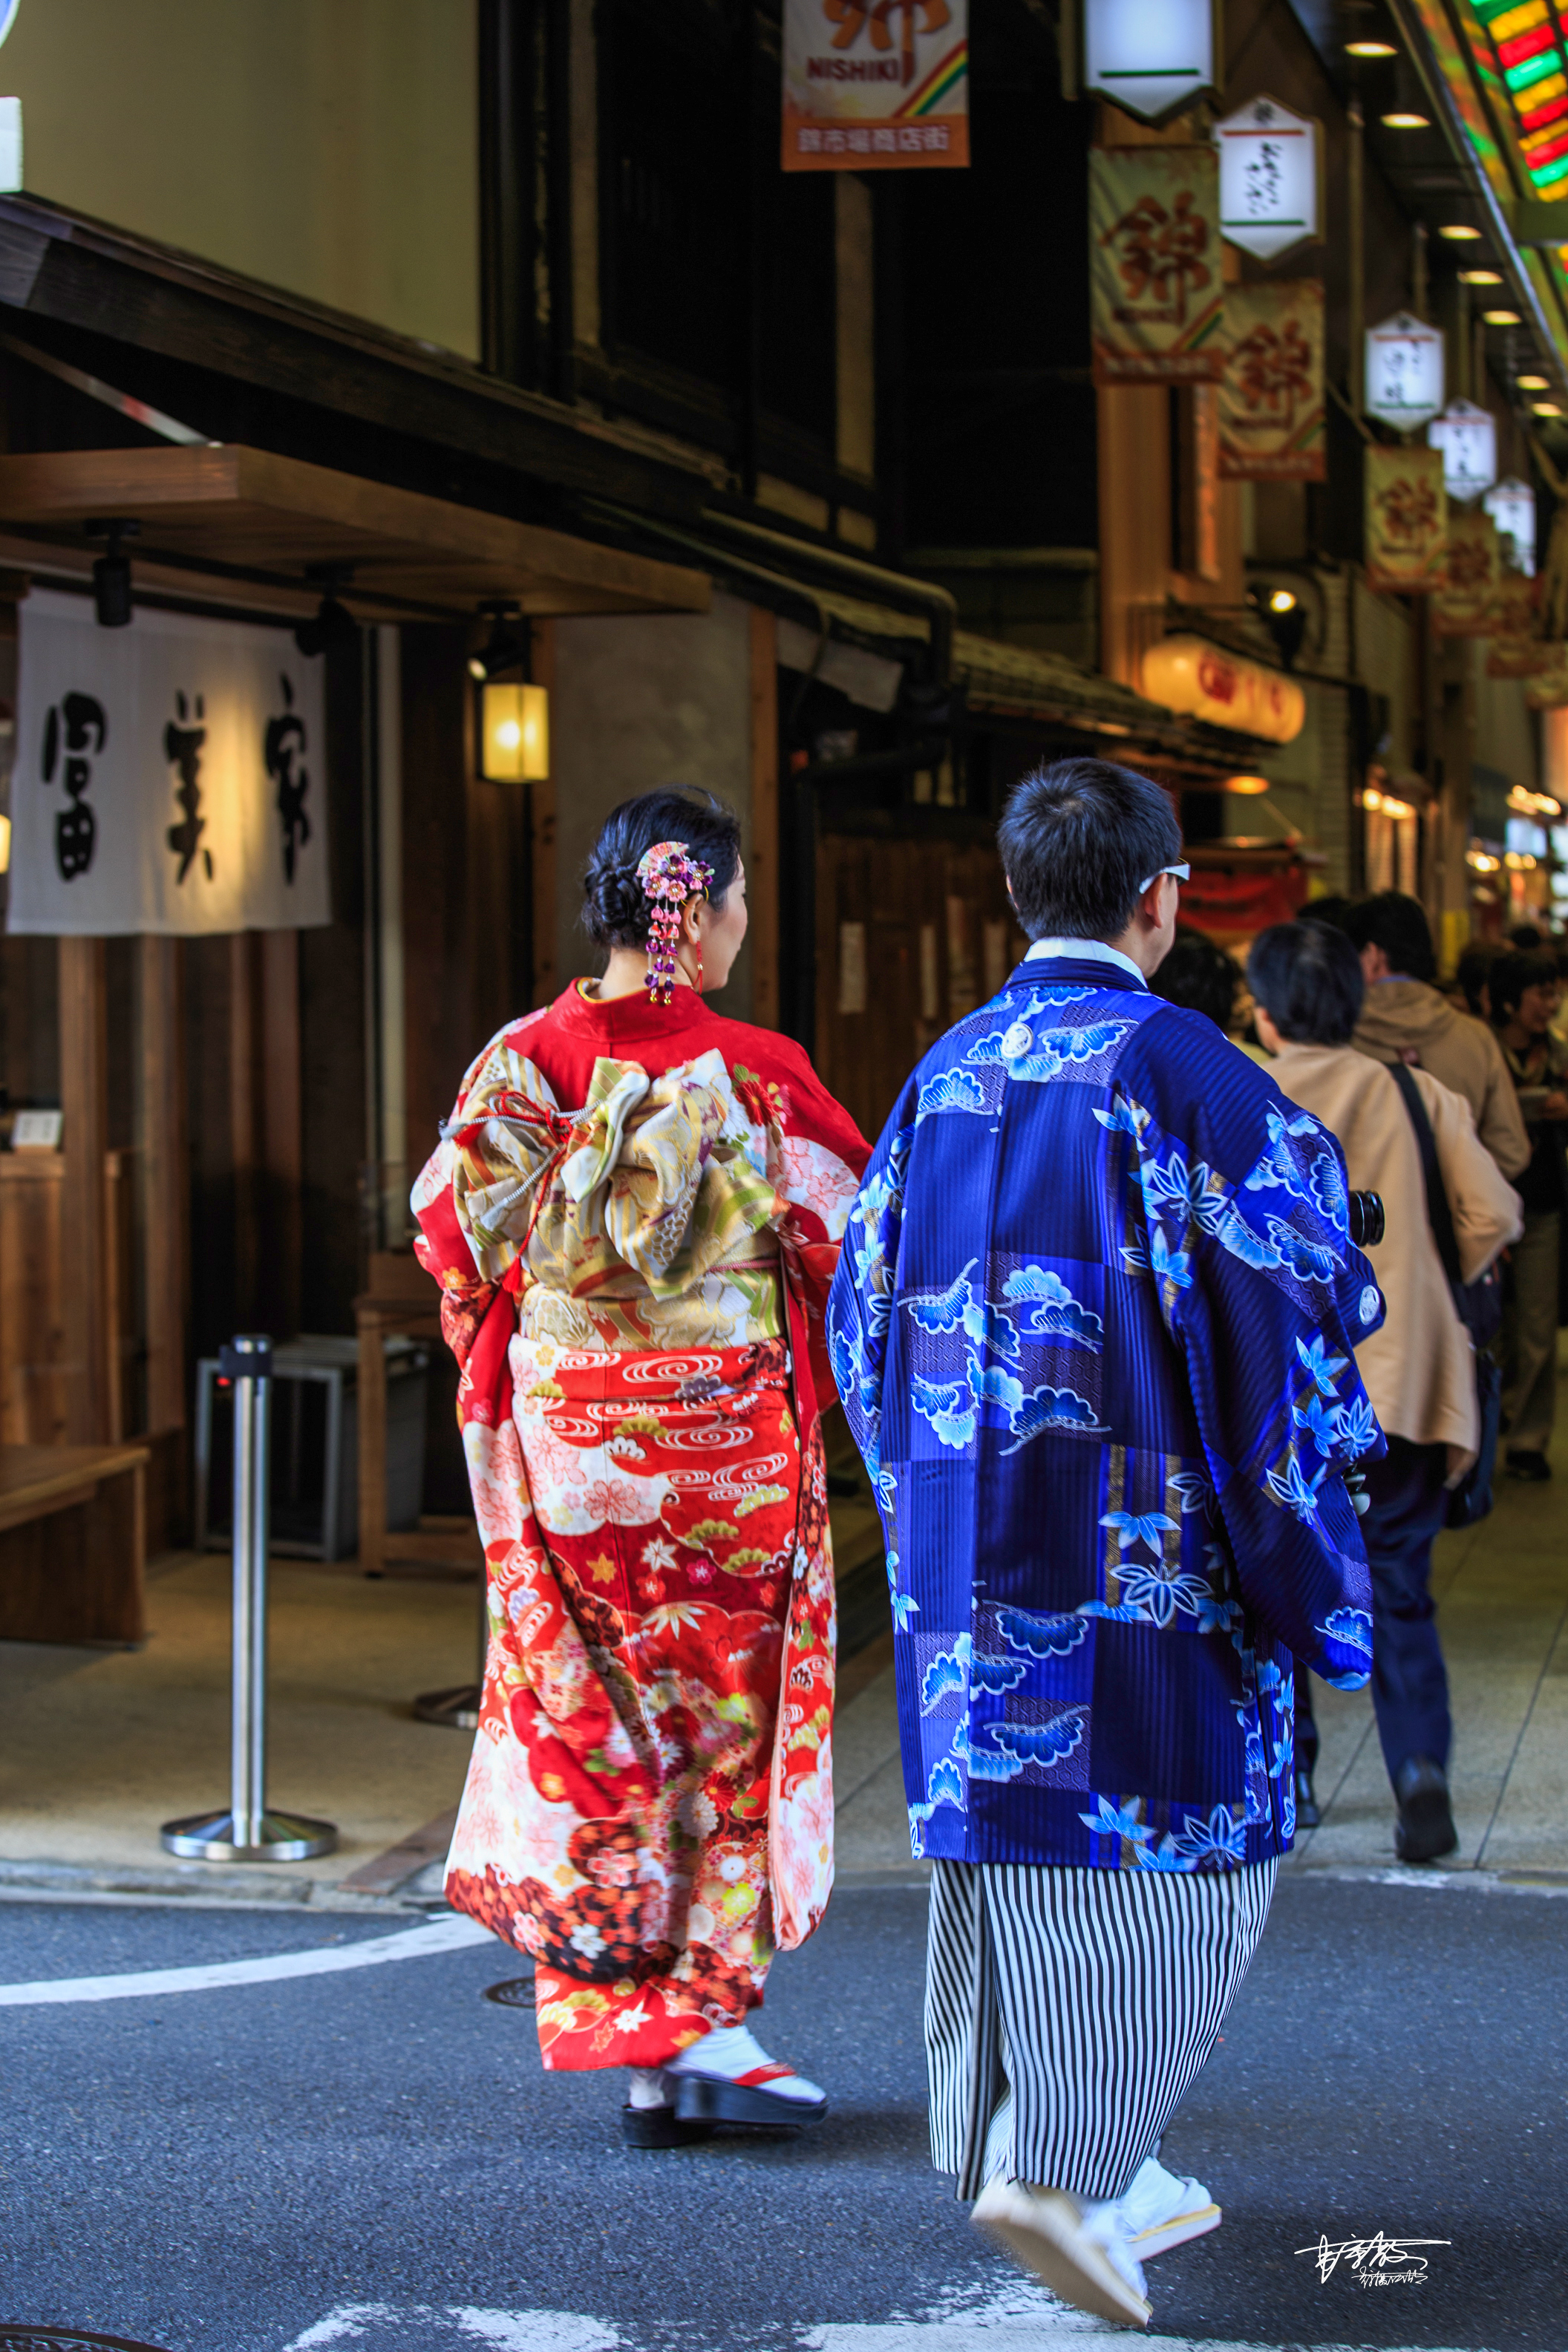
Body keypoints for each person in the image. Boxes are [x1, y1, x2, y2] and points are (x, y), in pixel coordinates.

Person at [826, 758, 1379, 2332]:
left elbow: (866, 1327)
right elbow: (1286, 1326)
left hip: (970, 1554)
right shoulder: (1199, 1081)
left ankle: (1051, 2147)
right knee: (1176, 1875)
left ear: (1019, 895)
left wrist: (929, 1519)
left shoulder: (939, 1078)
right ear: (1163, 898)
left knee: (1012, 1861)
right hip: (1145, 1564)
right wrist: (1313, 1541)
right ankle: (1068, 2171)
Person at [411, 788, 869, 2147]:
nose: (738, 921)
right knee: (722, 1731)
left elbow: (451, 1247)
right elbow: (854, 1254)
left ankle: (646, 2054)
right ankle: (708, 2020)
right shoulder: (755, 1072)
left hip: (569, 1472)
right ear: (705, 909)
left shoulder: (519, 1064)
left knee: (596, 1728)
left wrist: (559, 1368)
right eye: (734, 900)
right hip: (724, 1474)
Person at [1248, 922, 1520, 1862]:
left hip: (1277, 1394)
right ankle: (1419, 1779)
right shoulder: (1418, 1092)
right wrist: (1427, 1292)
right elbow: (1495, 1212)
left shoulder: (1236, 1092)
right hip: (1404, 1385)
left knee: (1278, 1584)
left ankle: (1301, 1780)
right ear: (1356, 1004)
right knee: (1400, 1590)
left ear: (1266, 1008)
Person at [1340, 892, 1529, 1182]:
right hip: (1453, 1219)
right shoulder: (1475, 1037)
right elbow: (1511, 1151)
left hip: (1362, 1222)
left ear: (1373, 956)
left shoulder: (1334, 1038)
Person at [1489, 949, 1568, 1480]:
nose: (1551, 1004)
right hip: (1487, 1206)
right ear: (1512, 1000)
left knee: (1538, 1325)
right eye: (1541, 993)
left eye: (1554, 993)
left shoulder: (1560, 1055)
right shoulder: (1484, 1051)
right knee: (1493, 1326)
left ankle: (1529, 1440)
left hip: (1542, 1203)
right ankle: (1489, 1425)